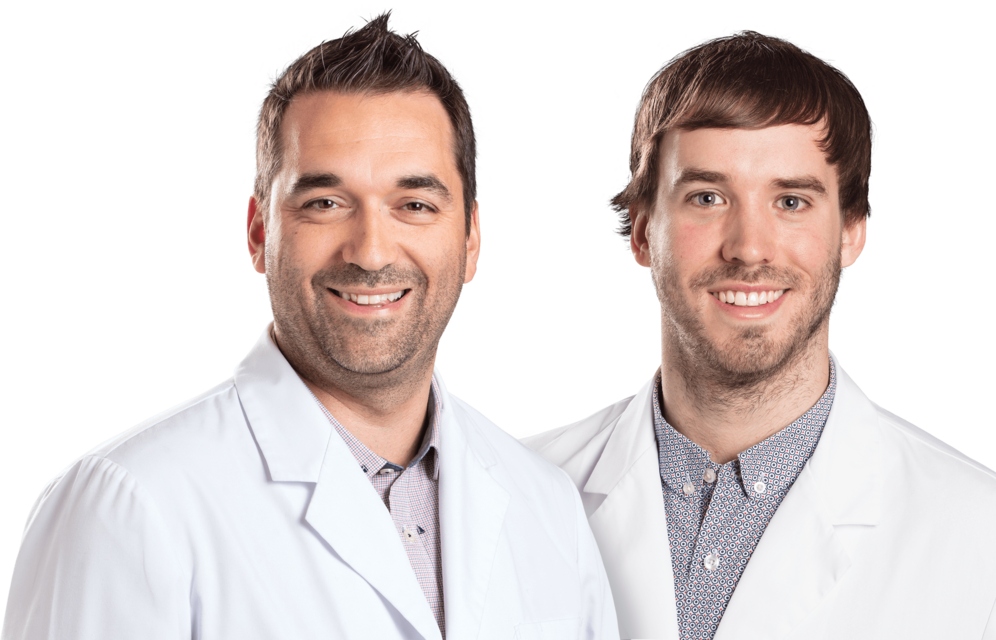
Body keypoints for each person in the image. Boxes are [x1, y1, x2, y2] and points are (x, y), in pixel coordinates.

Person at [3, 10, 618, 640]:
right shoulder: (128, 506)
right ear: (258, 232)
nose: (371, 252)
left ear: (470, 240)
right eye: (325, 203)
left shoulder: (549, 507)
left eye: (414, 204)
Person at [520, 29, 996, 640]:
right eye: (707, 197)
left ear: (852, 231)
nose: (749, 248)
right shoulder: (511, 494)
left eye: (792, 202)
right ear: (644, 232)